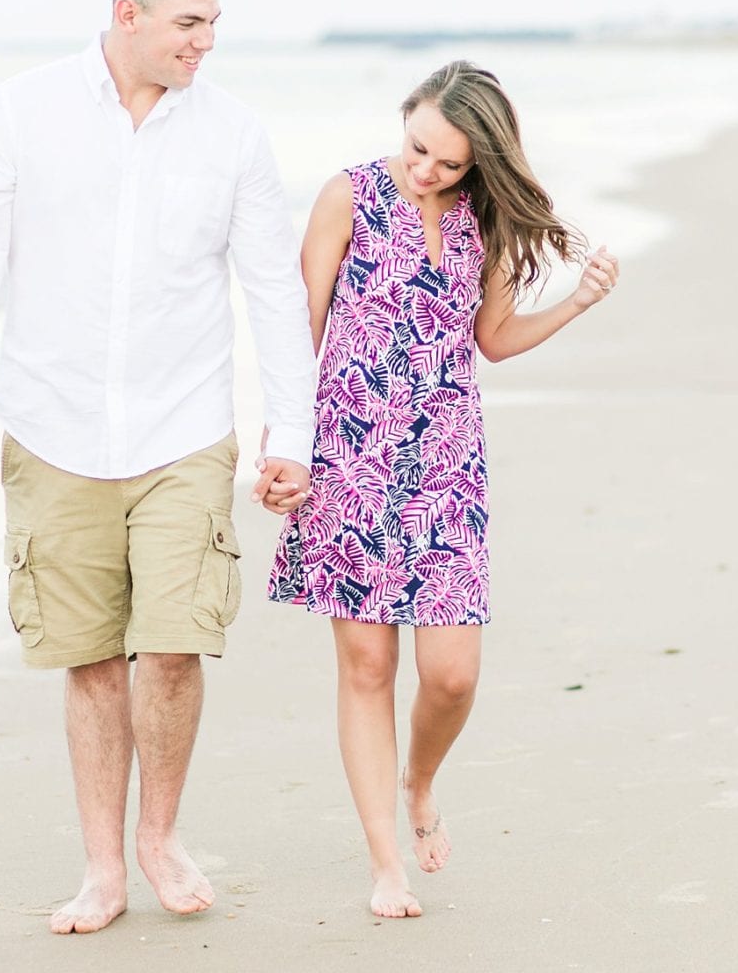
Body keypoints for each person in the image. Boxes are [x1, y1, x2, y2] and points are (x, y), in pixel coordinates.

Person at [0, 0, 315, 935]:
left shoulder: (232, 134)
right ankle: (103, 868)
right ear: (128, 14)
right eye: (190, 23)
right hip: (51, 430)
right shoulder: (23, 111)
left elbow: (273, 288)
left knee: (176, 648)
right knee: (91, 660)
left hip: (185, 430)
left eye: (215, 24)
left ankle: (160, 835)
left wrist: (291, 433)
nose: (206, 43)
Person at [266, 60, 621, 917]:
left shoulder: (485, 225)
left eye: (448, 163)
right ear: (407, 120)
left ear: (480, 164)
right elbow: (296, 330)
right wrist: (286, 449)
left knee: (453, 675)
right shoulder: (346, 196)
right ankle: (385, 861)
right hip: (348, 457)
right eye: (418, 147)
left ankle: (419, 779)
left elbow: (492, 339)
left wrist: (576, 303)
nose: (426, 170)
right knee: (366, 663)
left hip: (446, 465)